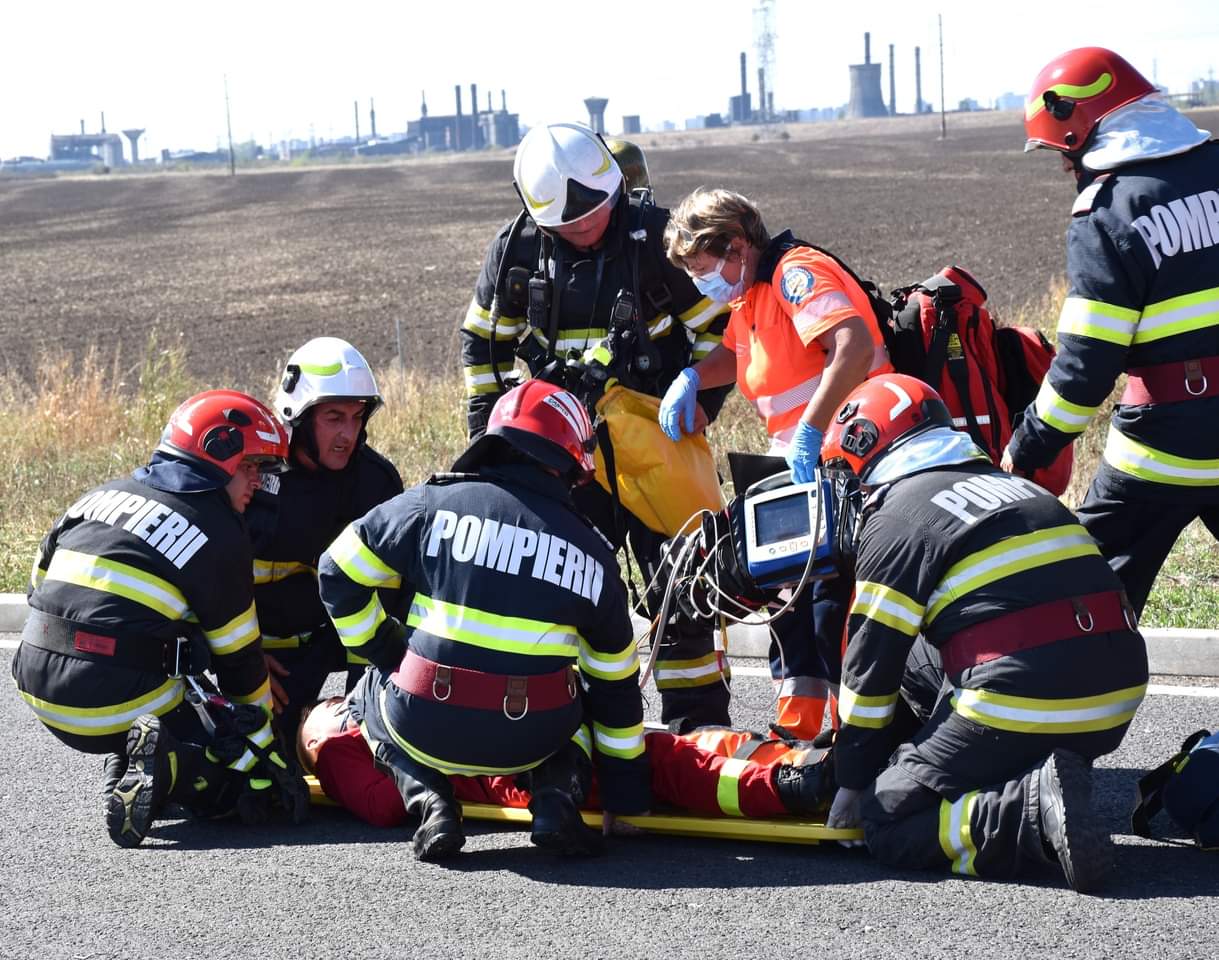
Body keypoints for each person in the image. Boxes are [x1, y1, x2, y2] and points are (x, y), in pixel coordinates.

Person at [820, 373, 1148, 893]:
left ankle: (1027, 813)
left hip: (1026, 697)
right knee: (921, 648)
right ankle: (1014, 766)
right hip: (1114, 699)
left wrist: (854, 779)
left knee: (886, 821)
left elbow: (871, 664)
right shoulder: (1016, 487)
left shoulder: (896, 515)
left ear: (865, 446)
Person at [460, 122, 734, 732]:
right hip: (562, 457)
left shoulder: (656, 240)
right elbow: (483, 346)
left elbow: (722, 329)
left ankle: (700, 735)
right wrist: (490, 439)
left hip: (658, 443)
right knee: (563, 591)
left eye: (598, 210)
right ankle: (575, 734)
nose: (589, 225)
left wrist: (700, 399)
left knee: (687, 586)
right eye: (573, 221)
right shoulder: (515, 252)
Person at [318, 380, 652, 860]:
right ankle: (556, 799)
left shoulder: (429, 505)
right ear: (569, 463)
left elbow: (336, 569)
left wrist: (384, 648)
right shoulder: (594, 555)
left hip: (423, 722)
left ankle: (431, 802)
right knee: (584, 693)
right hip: (533, 737)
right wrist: (625, 797)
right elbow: (615, 685)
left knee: (369, 690)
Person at [12, 390, 307, 846]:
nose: (257, 482)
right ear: (218, 453)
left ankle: (132, 754)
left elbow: (37, 589)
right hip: (109, 696)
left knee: (173, 681)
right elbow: (241, 665)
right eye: (251, 466)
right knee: (242, 782)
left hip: (33, 680)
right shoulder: (218, 531)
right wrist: (266, 746)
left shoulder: (98, 496)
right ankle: (170, 765)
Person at [659, 187, 893, 739]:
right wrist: (692, 377)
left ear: (738, 246)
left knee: (829, 604)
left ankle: (855, 737)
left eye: (702, 267)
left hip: (850, 455)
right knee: (789, 600)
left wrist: (811, 430)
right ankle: (802, 733)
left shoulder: (795, 275)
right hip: (804, 465)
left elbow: (853, 344)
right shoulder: (751, 298)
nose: (700, 281)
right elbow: (736, 353)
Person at [1001, 46, 1219, 617]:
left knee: (1086, 599)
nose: (1065, 169)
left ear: (1080, 127)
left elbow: (1085, 366)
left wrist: (1028, 445)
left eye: (1062, 153)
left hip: (1161, 450)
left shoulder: (1108, 212)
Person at [296, 694, 834, 829]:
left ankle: (801, 759)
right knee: (663, 764)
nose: (340, 705)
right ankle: (788, 787)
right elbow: (386, 806)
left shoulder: (379, 704)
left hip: (521, 738)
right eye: (327, 710)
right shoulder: (338, 750)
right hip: (518, 773)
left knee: (685, 745)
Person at [246, 337, 403, 733]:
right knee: (250, 752)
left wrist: (363, 709)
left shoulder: (375, 484)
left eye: (357, 417)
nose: (348, 434)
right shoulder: (251, 475)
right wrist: (242, 659)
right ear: (299, 417)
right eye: (334, 418)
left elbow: (384, 600)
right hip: (258, 653)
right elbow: (210, 581)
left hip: (333, 644)